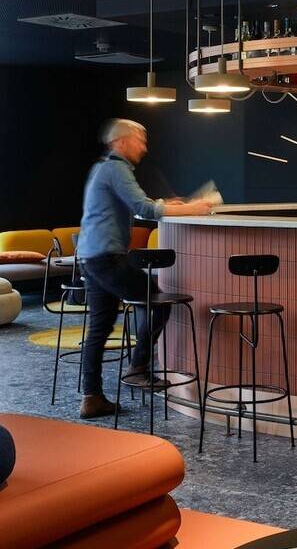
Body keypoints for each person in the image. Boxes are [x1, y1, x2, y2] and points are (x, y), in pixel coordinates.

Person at [75, 119, 213, 419]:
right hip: (107, 258)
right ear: (122, 142)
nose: (145, 147)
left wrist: (168, 203)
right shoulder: (117, 169)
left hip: (90, 256)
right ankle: (138, 367)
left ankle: (91, 396)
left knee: (99, 328)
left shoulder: (102, 168)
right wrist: (192, 208)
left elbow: (138, 203)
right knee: (158, 301)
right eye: (140, 140)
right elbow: (144, 209)